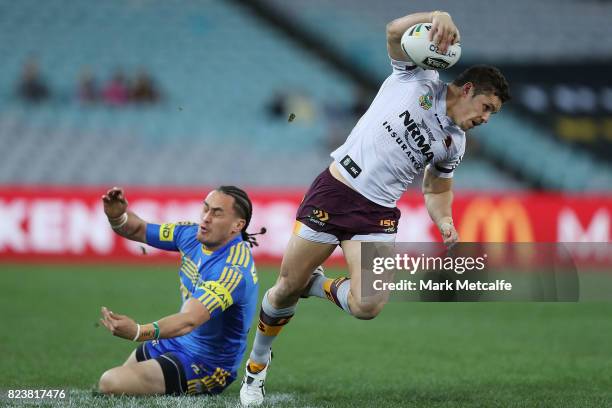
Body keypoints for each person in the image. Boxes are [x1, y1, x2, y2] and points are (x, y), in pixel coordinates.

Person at [239, 10, 510, 406]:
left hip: (378, 214)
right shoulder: (416, 78)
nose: (486, 118)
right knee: (282, 292)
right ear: (467, 89)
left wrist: (444, 219)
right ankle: (256, 368)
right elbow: (393, 32)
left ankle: (315, 283)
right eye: (486, 107)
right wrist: (438, 15)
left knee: (367, 305)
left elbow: (436, 187)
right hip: (336, 190)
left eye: (493, 114)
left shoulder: (455, 143)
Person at [97, 186, 263, 396]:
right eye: (205, 209)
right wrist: (117, 216)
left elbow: (189, 320)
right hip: (174, 341)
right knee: (118, 384)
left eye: (217, 212)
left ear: (237, 225)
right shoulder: (189, 235)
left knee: (111, 382)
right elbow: (138, 229)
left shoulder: (234, 271)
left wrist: (139, 331)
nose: (206, 218)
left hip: (207, 364)